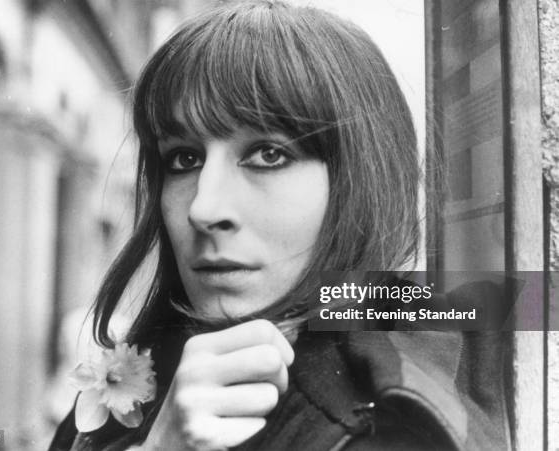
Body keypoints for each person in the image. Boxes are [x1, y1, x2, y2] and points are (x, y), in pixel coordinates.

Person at [49, 1, 510, 450]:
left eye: (269, 154)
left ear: (358, 177)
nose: (203, 209)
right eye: (184, 158)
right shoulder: (142, 369)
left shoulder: (382, 423)